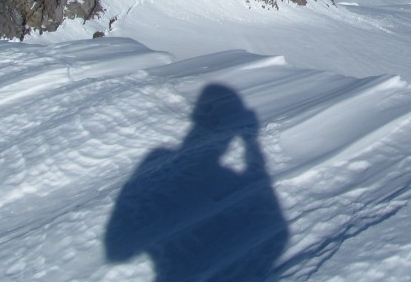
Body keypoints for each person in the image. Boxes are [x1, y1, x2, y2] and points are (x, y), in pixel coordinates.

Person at [105, 84, 289, 281]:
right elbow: (277, 233)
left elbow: (118, 249)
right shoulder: (165, 163)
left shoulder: (159, 161)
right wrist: (251, 143)